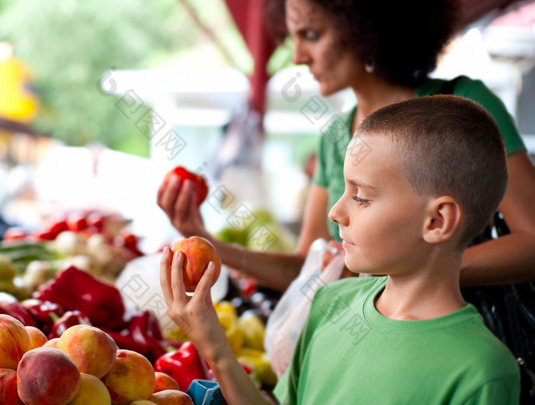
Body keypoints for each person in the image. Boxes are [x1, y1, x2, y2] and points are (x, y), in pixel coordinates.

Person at [160, 95, 520, 404]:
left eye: (361, 197)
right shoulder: (330, 302)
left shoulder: (482, 372)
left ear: (437, 221)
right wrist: (215, 348)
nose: (335, 212)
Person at [157, 0, 535, 291]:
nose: (297, 57)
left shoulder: (466, 105)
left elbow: (531, 242)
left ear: (368, 26)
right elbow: (305, 268)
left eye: (312, 35)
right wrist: (206, 243)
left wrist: (415, 267)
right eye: (294, 38)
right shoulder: (336, 136)